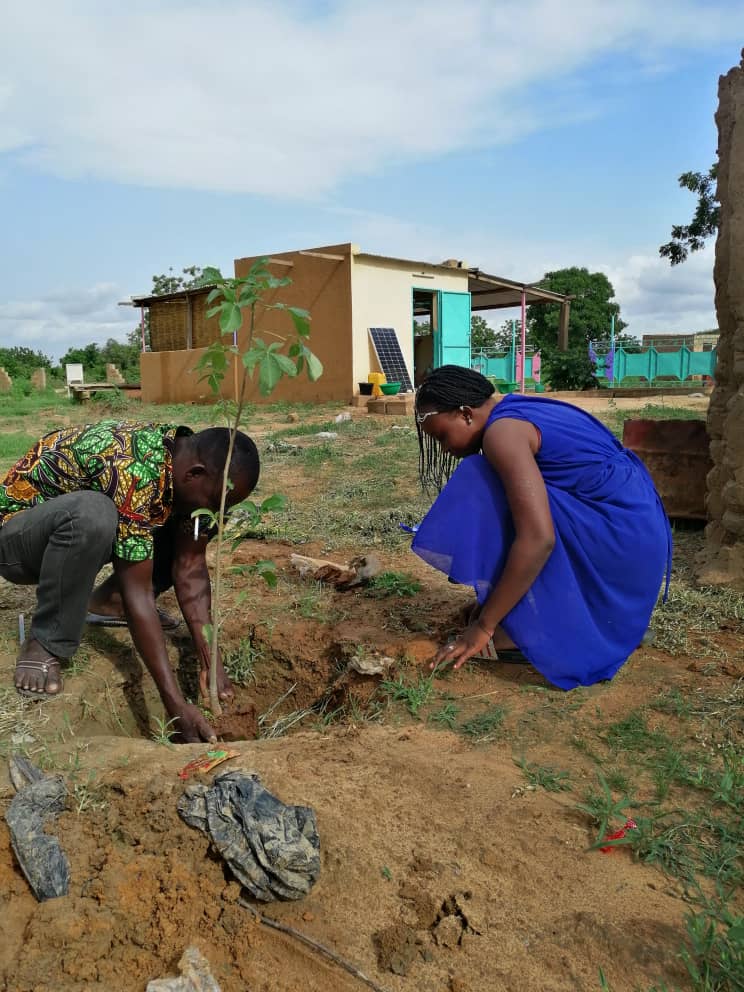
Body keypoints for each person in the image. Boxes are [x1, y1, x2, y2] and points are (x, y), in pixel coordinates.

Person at [411, 366, 672, 689]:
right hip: (636, 532)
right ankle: (519, 608)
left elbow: (539, 539)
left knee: (479, 483)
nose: (443, 449)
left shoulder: (501, 435)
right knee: (506, 492)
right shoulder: (514, 408)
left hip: (620, 540)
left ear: (465, 414)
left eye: (441, 437)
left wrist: (485, 626)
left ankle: (522, 633)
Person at [0, 420, 260, 742]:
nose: (216, 512)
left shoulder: (185, 475)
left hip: (82, 531)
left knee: (186, 520)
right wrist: (175, 703)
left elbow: (190, 565)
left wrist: (211, 658)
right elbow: (139, 593)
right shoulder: (131, 468)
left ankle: (111, 602)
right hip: (18, 537)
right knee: (94, 514)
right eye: (215, 502)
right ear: (194, 473)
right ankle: (45, 640)